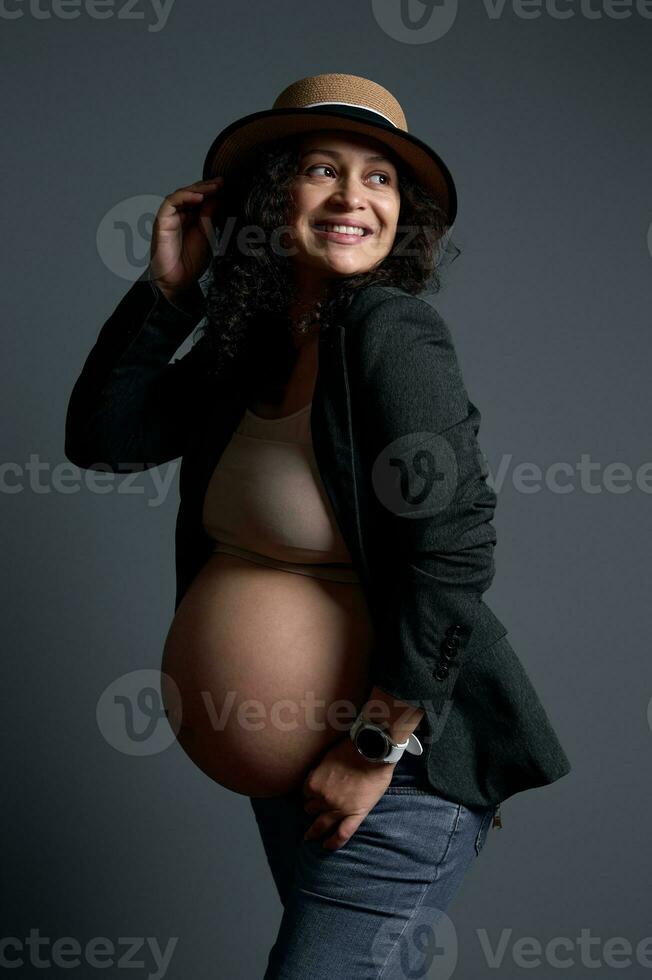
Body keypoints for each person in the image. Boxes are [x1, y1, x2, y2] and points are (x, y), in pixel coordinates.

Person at [65, 73, 571, 978]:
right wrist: (169, 296)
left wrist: (375, 745)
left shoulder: (392, 332)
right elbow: (103, 439)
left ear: (402, 215)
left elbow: (454, 547)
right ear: (268, 199)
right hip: (301, 776)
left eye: (380, 179)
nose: (352, 198)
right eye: (321, 169)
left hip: (393, 770)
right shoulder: (251, 344)